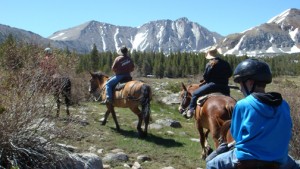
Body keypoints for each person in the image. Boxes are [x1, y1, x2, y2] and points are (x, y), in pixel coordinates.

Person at [206, 58, 295, 169]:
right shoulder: (283, 104)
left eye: (241, 84)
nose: (241, 89)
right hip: (279, 160)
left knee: (212, 163)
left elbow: (236, 135)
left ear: (250, 83)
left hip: (247, 160)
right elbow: (287, 130)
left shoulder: (243, 105)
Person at [184, 47, 232, 118]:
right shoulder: (226, 63)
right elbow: (230, 74)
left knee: (195, 94)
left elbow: (206, 76)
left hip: (212, 86)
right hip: (224, 87)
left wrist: (205, 80)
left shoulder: (210, 64)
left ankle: (191, 110)